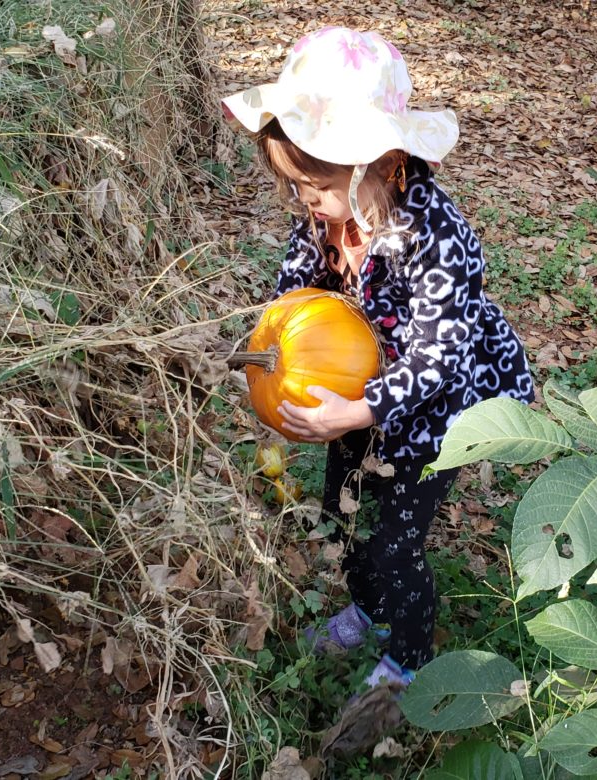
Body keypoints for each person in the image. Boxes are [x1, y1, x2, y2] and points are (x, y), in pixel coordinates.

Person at [222, 26, 534, 689]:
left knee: (396, 545)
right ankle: (365, 609)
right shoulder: (329, 215)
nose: (306, 200)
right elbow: (298, 291)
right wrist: (269, 347)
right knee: (343, 510)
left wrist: (360, 408)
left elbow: (439, 359)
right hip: (356, 394)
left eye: (316, 183)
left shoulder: (438, 238)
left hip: (439, 411)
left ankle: (410, 659)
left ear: (384, 163)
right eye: (293, 183)